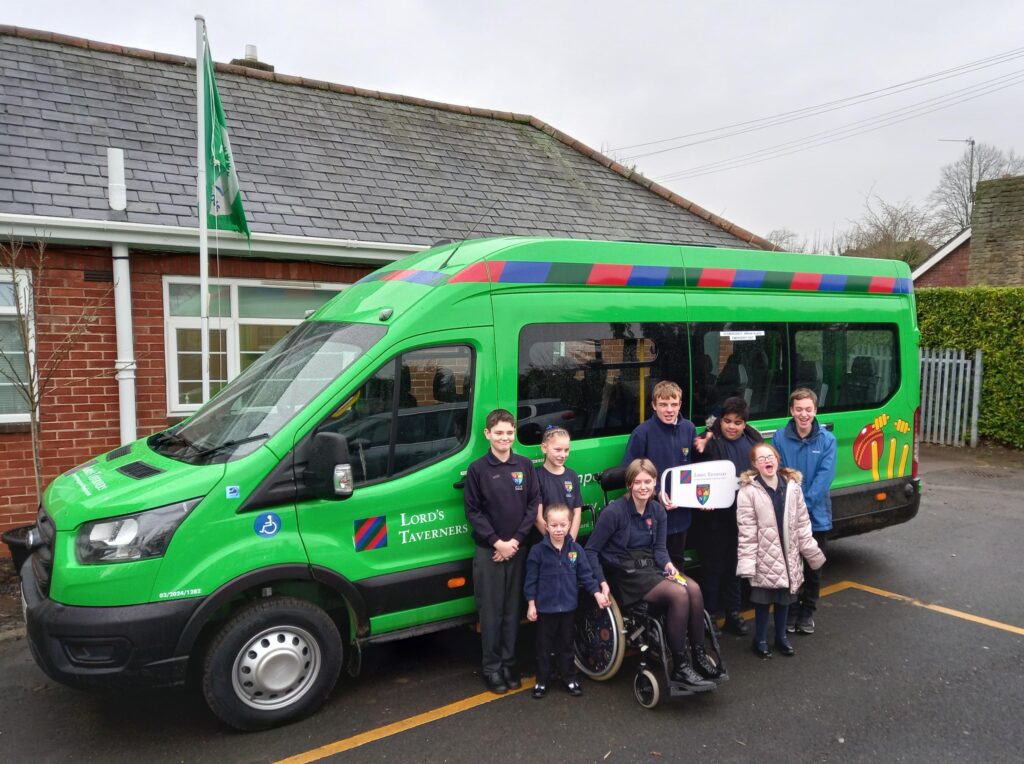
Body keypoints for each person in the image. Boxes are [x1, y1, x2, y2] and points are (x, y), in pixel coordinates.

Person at [586, 458, 720, 691]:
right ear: (629, 484)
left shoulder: (657, 510)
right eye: (637, 482)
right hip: (626, 573)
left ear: (655, 482)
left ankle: (698, 655)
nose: (643, 487)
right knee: (679, 594)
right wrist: (601, 582)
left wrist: (668, 565)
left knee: (694, 589)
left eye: (648, 481)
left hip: (652, 566)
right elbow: (591, 550)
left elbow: (659, 548)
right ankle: (680, 665)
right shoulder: (614, 512)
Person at [464, 408, 541, 694]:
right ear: (487, 434)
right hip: (491, 552)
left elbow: (533, 504)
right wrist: (498, 543)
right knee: (491, 612)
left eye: (509, 433)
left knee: (512, 611)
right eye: (499, 433)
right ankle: (492, 667)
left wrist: (516, 542)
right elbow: (473, 511)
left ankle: (509, 663)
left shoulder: (524, 465)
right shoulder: (478, 470)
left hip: (517, 549)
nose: (505, 438)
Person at [736, 443, 825, 659]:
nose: (767, 461)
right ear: (755, 465)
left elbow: (802, 522)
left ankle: (781, 638)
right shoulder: (748, 492)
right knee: (762, 601)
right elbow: (746, 532)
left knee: (785, 599)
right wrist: (747, 563)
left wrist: (811, 551)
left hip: (788, 554)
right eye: (761, 458)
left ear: (777, 459)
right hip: (764, 557)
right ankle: (760, 640)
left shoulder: (792, 486)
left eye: (771, 457)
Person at [692, 396, 764, 637]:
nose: (732, 426)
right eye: (727, 421)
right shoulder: (709, 442)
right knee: (712, 569)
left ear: (745, 424)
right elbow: (699, 478)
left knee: (736, 569)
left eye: (738, 422)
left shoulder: (753, 441)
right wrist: (704, 501)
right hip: (712, 520)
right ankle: (709, 616)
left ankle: (733, 613)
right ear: (720, 421)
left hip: (741, 518)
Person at [524, 503, 608, 699]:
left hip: (569, 608)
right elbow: (531, 580)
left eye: (563, 525)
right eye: (554, 525)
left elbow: (586, 575)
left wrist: (596, 593)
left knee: (567, 646)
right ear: (546, 525)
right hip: (545, 610)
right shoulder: (537, 551)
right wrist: (531, 603)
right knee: (543, 648)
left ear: (570, 524)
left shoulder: (576, 549)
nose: (559, 529)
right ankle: (542, 681)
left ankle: (569, 678)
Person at [771, 388, 837, 635]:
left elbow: (824, 478)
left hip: (816, 517)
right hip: (787, 515)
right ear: (791, 410)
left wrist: (803, 506)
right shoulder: (779, 438)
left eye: (808, 409)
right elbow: (777, 474)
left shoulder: (827, 441)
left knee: (813, 567)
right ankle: (791, 610)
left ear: (815, 411)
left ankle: (808, 611)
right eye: (799, 409)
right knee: (790, 567)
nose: (803, 414)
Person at [623, 380, 710, 565]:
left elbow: (696, 469)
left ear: (680, 404)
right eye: (663, 404)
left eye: (674, 404)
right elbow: (630, 473)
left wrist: (704, 496)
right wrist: (657, 493)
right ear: (654, 405)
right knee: (655, 568)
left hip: (681, 517)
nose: (669, 410)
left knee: (677, 565)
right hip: (651, 517)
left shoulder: (689, 428)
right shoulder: (642, 432)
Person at [534, 426, 582, 541]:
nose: (563, 455)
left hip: (567, 542)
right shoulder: (536, 476)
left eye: (566, 450)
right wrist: (555, 543)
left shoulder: (572, 475)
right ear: (544, 448)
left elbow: (577, 512)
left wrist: (570, 541)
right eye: (558, 450)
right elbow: (537, 517)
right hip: (544, 542)